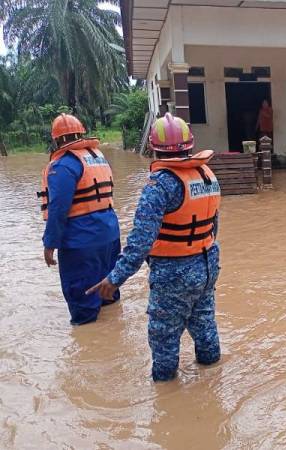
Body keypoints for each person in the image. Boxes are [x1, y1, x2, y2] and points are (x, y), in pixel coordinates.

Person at [87, 113, 221, 382]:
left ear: (154, 147)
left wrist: (115, 279)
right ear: (189, 144)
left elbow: (140, 242)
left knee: (163, 336)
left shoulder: (160, 185)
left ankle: (166, 396)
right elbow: (213, 225)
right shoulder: (207, 175)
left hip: (174, 273)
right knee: (204, 322)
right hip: (207, 265)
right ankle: (212, 378)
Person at [38, 113, 121, 325]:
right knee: (108, 294)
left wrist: (49, 244)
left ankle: (89, 350)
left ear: (56, 139)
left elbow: (58, 209)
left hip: (82, 241)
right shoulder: (96, 156)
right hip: (110, 235)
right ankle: (112, 340)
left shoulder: (63, 165)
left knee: (82, 305)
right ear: (81, 133)